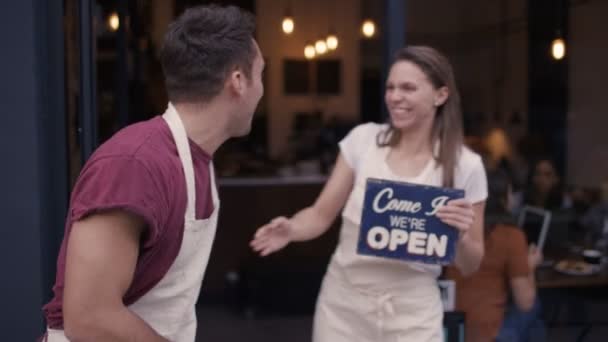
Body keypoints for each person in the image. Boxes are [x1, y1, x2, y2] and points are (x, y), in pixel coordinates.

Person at [41, 5, 264, 341]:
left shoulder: (197, 161)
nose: (262, 89)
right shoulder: (134, 164)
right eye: (260, 74)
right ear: (238, 81)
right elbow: (89, 318)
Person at [250, 46, 487, 341]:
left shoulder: (466, 165)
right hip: (343, 307)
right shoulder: (363, 141)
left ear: (440, 95)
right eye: (390, 87)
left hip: (414, 314)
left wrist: (461, 236)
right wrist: (292, 228)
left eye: (408, 88)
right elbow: (320, 214)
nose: (395, 97)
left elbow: (471, 264)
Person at [446, 170, 545, 341]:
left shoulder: (453, 228)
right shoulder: (510, 235)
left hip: (451, 327)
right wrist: (530, 267)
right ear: (502, 198)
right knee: (535, 308)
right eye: (511, 192)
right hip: (489, 332)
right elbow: (525, 302)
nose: (514, 198)